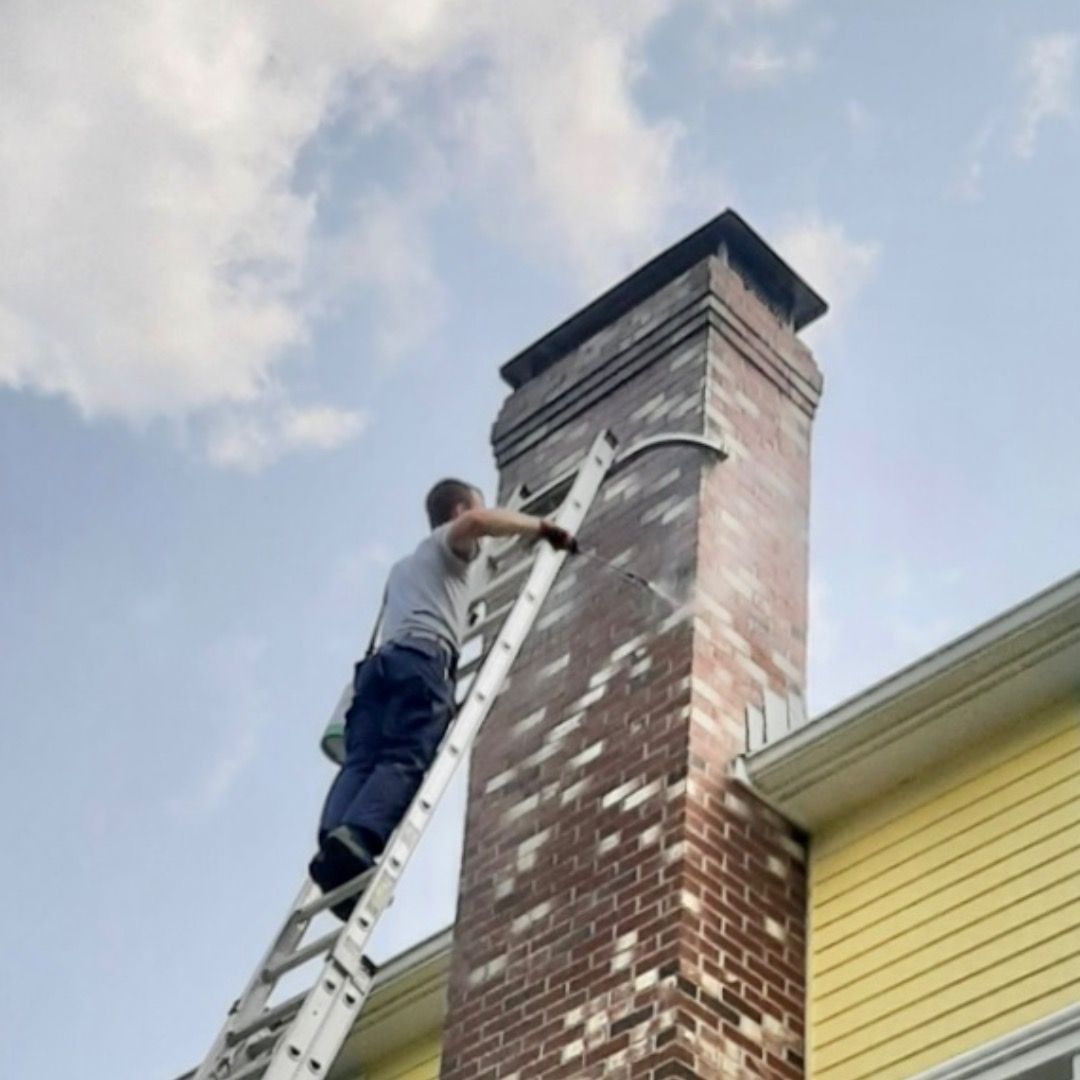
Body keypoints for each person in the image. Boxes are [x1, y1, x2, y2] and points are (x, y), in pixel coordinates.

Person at [309, 477, 578, 917]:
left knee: (363, 761)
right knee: (405, 755)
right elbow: (477, 523)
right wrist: (541, 528)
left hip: (378, 672)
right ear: (457, 511)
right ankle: (357, 838)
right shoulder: (445, 545)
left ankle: (335, 849)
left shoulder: (404, 570)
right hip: (420, 661)